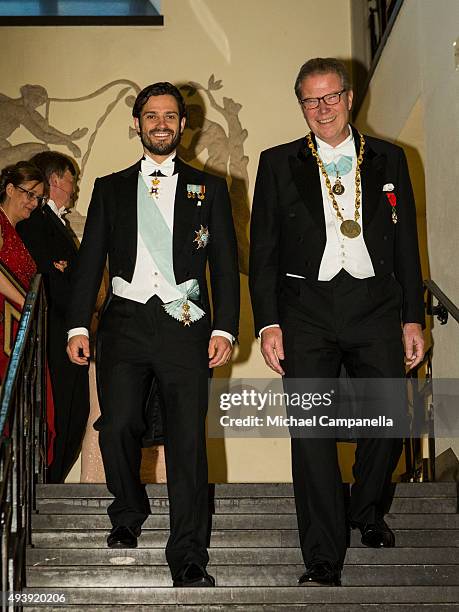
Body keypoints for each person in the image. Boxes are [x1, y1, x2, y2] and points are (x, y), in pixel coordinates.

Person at [249, 58, 425, 587]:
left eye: (330, 98)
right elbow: (263, 252)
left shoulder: (391, 158)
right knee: (310, 433)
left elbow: (407, 245)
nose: (321, 109)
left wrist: (412, 317)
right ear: (300, 105)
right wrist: (268, 323)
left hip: (375, 306)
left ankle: (366, 510)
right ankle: (322, 557)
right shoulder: (278, 162)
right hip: (306, 310)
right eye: (310, 100)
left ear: (349, 99)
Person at [66, 82, 239, 587]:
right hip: (124, 322)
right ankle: (128, 508)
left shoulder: (209, 189)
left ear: (184, 125)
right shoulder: (110, 187)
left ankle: (188, 556)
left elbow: (225, 267)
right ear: (137, 124)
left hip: (186, 323)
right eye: (150, 115)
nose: (160, 123)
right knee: (118, 425)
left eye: (170, 115)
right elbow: (88, 261)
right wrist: (79, 323)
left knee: (187, 440)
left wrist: (225, 326)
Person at [17, 152, 90, 483]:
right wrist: (61, 268)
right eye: (72, 179)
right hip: (52, 333)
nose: (75, 187)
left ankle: (52, 482)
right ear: (57, 180)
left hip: (68, 332)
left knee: (74, 414)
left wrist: (65, 268)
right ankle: (46, 484)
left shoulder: (56, 222)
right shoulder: (35, 221)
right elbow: (41, 272)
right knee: (59, 413)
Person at [0, 161, 55, 464]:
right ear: (9, 189)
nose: (33, 203)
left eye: (38, 198)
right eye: (29, 194)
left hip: (16, 330)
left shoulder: (16, 233)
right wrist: (28, 304)